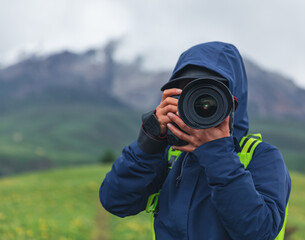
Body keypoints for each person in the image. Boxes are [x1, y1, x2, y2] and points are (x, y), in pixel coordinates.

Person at [99, 41, 291, 240]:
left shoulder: (262, 156)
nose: (202, 105)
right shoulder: (171, 154)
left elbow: (260, 232)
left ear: (233, 101)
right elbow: (115, 200)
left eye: (210, 95)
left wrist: (218, 154)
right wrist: (150, 140)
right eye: (187, 93)